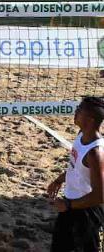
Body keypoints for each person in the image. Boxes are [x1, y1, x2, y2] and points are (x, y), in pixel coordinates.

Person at [47, 97, 104, 251]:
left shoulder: (95, 153)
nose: (76, 112)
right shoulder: (81, 134)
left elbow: (99, 196)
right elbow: (75, 167)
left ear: (90, 120)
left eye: (80, 110)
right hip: (70, 205)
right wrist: (59, 180)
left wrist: (67, 205)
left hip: (88, 213)